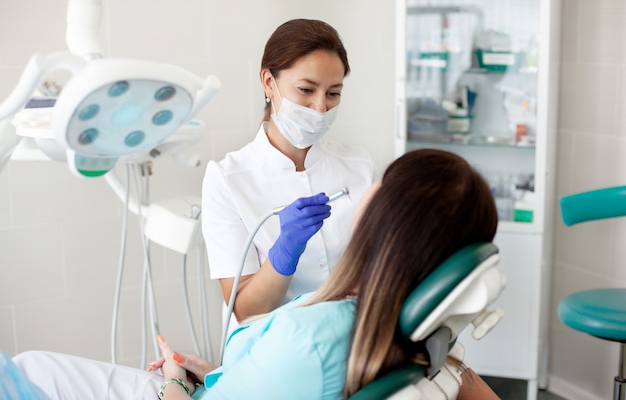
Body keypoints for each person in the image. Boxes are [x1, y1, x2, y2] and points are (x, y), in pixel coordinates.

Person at [12, 148, 501, 400]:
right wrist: (226, 375)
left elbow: (291, 358)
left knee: (27, 373)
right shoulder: (426, 334)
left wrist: (177, 385)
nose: (370, 186)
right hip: (226, 383)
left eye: (386, 182)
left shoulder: (311, 340)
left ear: (391, 223)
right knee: (32, 369)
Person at [201, 18, 376, 323]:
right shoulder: (228, 179)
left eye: (333, 93)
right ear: (269, 82)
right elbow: (243, 311)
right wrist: (284, 253)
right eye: (306, 89)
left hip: (352, 339)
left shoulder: (359, 166)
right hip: (274, 350)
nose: (320, 108)